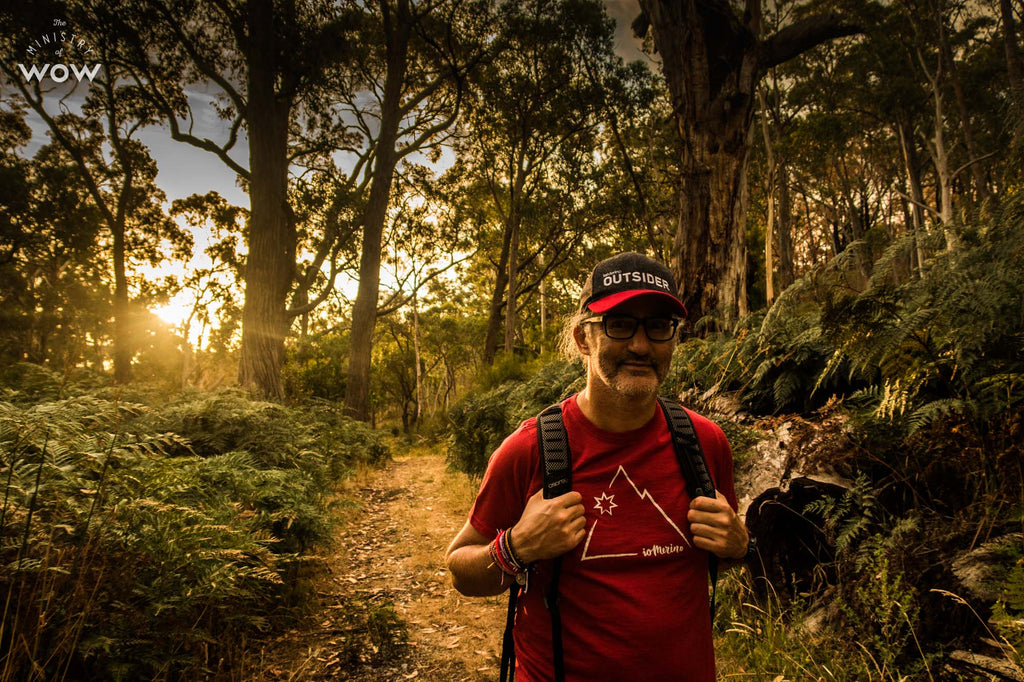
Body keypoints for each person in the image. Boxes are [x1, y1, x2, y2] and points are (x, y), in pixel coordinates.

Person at [445, 252, 750, 681]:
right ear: (584, 338)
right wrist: (514, 548)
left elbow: (728, 553)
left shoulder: (705, 444)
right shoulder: (530, 450)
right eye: (620, 323)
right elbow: (460, 568)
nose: (641, 346)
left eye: (659, 326)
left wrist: (738, 545)